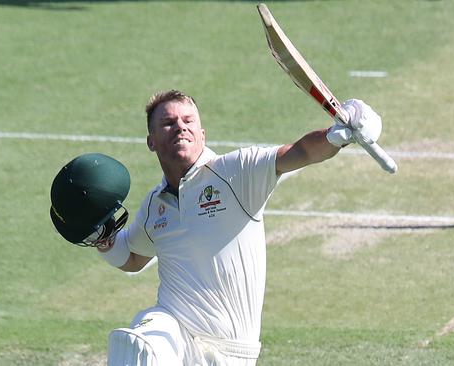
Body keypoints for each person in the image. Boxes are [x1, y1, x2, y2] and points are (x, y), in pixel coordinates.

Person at [92, 90, 382, 365]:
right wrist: (100, 237)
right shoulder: (156, 205)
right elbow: (132, 258)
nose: (180, 127)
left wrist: (336, 138)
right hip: (176, 331)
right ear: (151, 141)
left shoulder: (237, 172)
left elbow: (301, 152)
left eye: (188, 121)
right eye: (168, 123)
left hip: (230, 351)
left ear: (202, 135)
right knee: (139, 341)